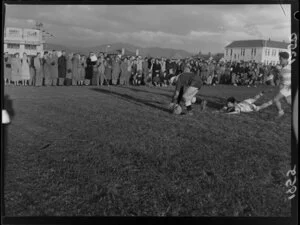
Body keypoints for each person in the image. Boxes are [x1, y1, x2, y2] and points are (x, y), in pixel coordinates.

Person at [256, 52, 291, 118]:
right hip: (282, 86)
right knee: (288, 102)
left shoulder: (290, 67)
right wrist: (271, 81)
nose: (279, 60)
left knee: (275, 99)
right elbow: (271, 74)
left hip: (288, 87)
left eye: (281, 59)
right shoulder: (278, 67)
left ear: (286, 59)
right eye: (279, 58)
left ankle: (281, 112)